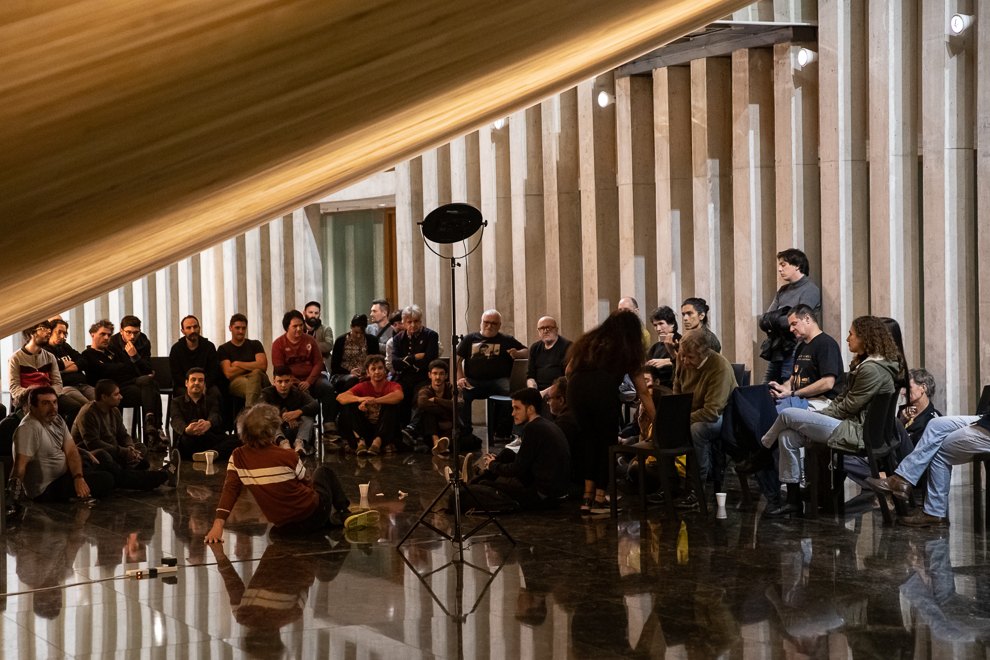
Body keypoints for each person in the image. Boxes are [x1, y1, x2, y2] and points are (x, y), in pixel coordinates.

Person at [760, 316, 905, 518]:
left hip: (854, 430)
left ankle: (762, 450)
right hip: (846, 423)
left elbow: (848, 406)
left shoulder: (872, 370)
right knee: (786, 436)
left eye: (851, 334)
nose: (847, 339)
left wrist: (819, 416)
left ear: (865, 338)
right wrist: (818, 417)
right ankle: (793, 500)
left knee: (786, 414)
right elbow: (842, 400)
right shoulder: (867, 365)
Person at [204, 403, 374, 543]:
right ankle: (344, 512)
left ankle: (330, 517)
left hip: (283, 525)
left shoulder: (237, 456)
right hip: (313, 513)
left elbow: (230, 491)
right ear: (272, 431)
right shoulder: (287, 455)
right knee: (323, 472)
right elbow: (308, 484)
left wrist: (218, 524)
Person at [6, 388, 175, 504]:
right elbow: (19, 468)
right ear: (32, 407)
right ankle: (162, 477)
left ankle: (136, 475)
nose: (53, 407)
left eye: (55, 402)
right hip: (48, 489)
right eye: (45, 403)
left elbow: (71, 450)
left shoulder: (55, 419)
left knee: (103, 460)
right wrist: (11, 500)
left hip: (68, 473)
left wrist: (78, 476)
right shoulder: (28, 429)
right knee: (107, 479)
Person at [566, 310, 655, 514]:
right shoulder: (626, 349)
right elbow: (643, 391)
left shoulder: (589, 341)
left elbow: (568, 371)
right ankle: (599, 499)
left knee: (589, 441)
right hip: (602, 391)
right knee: (607, 444)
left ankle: (586, 499)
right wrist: (656, 420)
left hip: (576, 389)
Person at [868, 410, 990, 528]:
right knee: (935, 424)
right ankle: (902, 479)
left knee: (938, 449)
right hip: (986, 418)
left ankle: (934, 512)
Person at [458, 388, 571, 512]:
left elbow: (517, 468)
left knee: (485, 484)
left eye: (517, 408)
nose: (512, 413)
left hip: (545, 497)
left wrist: (493, 466)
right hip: (554, 491)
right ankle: (469, 484)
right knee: (507, 454)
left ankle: (468, 486)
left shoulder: (533, 429)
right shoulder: (544, 424)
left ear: (530, 409)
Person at [672, 329, 737, 508]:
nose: (684, 360)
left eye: (690, 357)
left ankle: (695, 489)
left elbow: (711, 411)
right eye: (682, 355)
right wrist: (676, 414)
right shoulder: (682, 357)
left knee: (697, 430)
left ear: (704, 354)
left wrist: (682, 421)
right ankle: (670, 484)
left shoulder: (719, 367)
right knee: (663, 425)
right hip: (691, 414)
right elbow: (677, 385)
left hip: (723, 417)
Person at [82, 319, 166, 445]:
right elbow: (103, 371)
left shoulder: (112, 352)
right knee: (152, 391)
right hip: (110, 391)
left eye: (109, 335)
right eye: (103, 334)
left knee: (149, 382)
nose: (106, 338)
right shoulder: (88, 354)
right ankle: (154, 431)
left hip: (125, 384)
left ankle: (150, 420)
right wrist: (119, 367)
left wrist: (117, 367)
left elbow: (129, 367)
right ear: (92, 334)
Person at [456, 309, 529, 437]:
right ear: (481, 323)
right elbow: (456, 360)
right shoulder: (470, 339)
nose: (489, 326)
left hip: (499, 380)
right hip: (473, 381)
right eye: (486, 322)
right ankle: (465, 431)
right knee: (461, 393)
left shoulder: (506, 340)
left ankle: (503, 431)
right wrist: (460, 378)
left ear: (499, 325)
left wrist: (517, 353)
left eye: (493, 323)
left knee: (510, 392)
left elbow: (527, 351)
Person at [761, 248, 822, 384]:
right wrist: (781, 318)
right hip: (777, 347)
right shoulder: (783, 290)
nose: (779, 269)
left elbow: (798, 322)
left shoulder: (810, 290)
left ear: (797, 266)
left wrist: (777, 319)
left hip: (796, 347)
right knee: (767, 388)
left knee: (787, 390)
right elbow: (764, 319)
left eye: (783, 265)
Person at [769, 304, 845, 412]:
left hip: (823, 402)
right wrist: (783, 389)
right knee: (767, 406)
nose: (791, 329)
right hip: (802, 400)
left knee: (779, 412)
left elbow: (828, 382)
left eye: (794, 324)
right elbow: (794, 377)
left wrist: (793, 394)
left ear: (807, 319)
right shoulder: (801, 347)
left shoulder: (826, 344)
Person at [71, 379, 151, 470]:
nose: (121, 397)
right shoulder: (88, 414)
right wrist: (124, 452)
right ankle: (126, 469)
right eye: (116, 394)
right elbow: (93, 444)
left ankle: (124, 468)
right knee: (102, 455)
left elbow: (123, 434)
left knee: (141, 447)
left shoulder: (115, 410)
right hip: (93, 454)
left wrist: (129, 448)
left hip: (113, 450)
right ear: (104, 397)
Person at [336, 354, 404, 455]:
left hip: (385, 431)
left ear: (385, 370)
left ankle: (377, 443)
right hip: (365, 430)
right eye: (373, 369)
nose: (377, 372)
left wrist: (374, 401)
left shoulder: (393, 385)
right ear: (368, 373)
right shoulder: (363, 386)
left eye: (380, 368)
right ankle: (361, 443)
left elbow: (399, 396)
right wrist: (361, 399)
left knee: (390, 404)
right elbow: (340, 397)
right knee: (349, 404)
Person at [170, 368, 242, 462]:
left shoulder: (212, 400)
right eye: (193, 380)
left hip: (209, 438)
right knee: (191, 426)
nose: (196, 383)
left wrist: (208, 423)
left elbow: (216, 416)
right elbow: (176, 419)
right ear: (186, 383)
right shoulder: (176, 402)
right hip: (188, 440)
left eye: (200, 380)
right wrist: (187, 429)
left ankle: (213, 453)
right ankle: (214, 453)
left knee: (240, 437)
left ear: (204, 384)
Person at [273, 309, 336, 417]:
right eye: (295, 326)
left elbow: (318, 362)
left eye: (301, 325)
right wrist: (296, 382)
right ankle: (302, 426)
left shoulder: (310, 340)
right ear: (287, 327)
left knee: (328, 388)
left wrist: (308, 382)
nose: (299, 329)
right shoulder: (278, 344)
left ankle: (329, 425)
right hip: (290, 381)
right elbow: (280, 369)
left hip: (313, 379)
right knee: (297, 393)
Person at [392, 304, 440, 433]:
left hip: (423, 376)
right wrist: (416, 357)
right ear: (403, 323)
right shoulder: (397, 339)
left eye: (416, 321)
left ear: (421, 321)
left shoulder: (431, 336)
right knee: (396, 395)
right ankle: (396, 430)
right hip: (404, 376)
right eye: (409, 322)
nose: (413, 325)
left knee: (420, 397)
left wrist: (406, 360)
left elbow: (429, 361)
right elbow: (395, 364)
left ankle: (412, 429)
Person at [260, 365, 320, 455]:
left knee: (308, 416)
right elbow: (260, 409)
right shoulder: (266, 393)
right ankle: (282, 442)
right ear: (274, 382)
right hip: (276, 432)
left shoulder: (298, 392)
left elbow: (315, 405)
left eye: (286, 381)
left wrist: (298, 412)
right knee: (268, 418)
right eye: (280, 382)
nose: (283, 385)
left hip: (297, 431)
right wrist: (283, 416)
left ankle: (299, 443)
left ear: (291, 381)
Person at [8, 320, 62, 411]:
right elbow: (14, 388)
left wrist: (51, 396)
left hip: (50, 396)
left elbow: (58, 383)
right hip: (28, 399)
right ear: (32, 333)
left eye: (49, 328)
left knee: (74, 406)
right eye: (44, 328)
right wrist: (35, 396)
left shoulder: (50, 357)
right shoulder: (15, 358)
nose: (49, 331)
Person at [218, 313, 270, 406]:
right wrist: (253, 365)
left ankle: (248, 412)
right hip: (238, 381)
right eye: (237, 328)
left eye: (243, 328)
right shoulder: (224, 348)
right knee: (256, 385)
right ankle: (252, 411)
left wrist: (238, 363)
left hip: (261, 379)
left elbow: (263, 366)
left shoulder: (255, 344)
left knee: (257, 373)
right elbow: (229, 373)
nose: (241, 331)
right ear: (230, 328)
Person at [48, 319, 94, 423]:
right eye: (59, 332)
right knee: (88, 406)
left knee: (104, 402)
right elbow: (54, 367)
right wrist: (72, 363)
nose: (63, 336)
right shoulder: (46, 351)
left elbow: (83, 361)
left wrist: (63, 369)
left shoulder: (65, 346)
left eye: (64, 333)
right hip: (66, 386)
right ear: (50, 331)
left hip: (83, 384)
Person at [169, 315, 223, 400]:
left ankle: (214, 414)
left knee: (216, 394)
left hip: (206, 385)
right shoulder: (176, 349)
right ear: (183, 331)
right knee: (184, 396)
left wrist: (203, 386)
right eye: (188, 328)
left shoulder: (209, 347)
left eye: (195, 327)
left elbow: (213, 371)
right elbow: (176, 375)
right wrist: (192, 387)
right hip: (184, 386)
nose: (193, 330)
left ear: (199, 328)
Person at [330, 314, 379, 392]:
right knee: (353, 380)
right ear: (351, 327)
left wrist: (368, 374)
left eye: (361, 333)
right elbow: (334, 366)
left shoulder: (372, 341)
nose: (359, 336)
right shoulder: (341, 341)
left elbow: (376, 362)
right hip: (343, 374)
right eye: (356, 332)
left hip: (366, 374)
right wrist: (349, 372)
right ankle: (345, 400)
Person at [525, 316, 571, 399]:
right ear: (538, 331)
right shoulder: (534, 348)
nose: (545, 331)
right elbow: (530, 376)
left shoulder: (567, 346)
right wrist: (533, 392)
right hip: (538, 390)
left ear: (556, 330)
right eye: (542, 328)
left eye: (549, 327)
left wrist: (544, 393)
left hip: (558, 391)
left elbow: (566, 378)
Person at [417, 359, 456, 455]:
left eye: (441, 374)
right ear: (429, 375)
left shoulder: (452, 389)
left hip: (449, 430)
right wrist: (445, 411)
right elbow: (421, 402)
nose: (438, 377)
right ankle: (436, 442)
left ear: (446, 376)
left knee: (473, 441)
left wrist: (436, 400)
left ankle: (443, 446)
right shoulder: (425, 390)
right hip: (432, 431)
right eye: (435, 373)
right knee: (427, 412)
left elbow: (458, 405)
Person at [665, 298, 721, 362]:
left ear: (702, 315)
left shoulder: (706, 338)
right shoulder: (688, 337)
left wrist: (672, 352)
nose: (685, 318)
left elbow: (691, 368)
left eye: (689, 314)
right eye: (683, 314)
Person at [646, 306, 680, 390]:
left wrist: (667, 362)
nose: (658, 329)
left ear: (672, 323)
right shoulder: (656, 346)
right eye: (655, 325)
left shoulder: (682, 342)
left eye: (661, 323)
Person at [302, 300, 334, 370]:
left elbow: (328, 346)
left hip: (322, 366)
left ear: (319, 314)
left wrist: (307, 346)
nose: (313, 315)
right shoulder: (299, 329)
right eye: (310, 312)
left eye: (316, 313)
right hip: (303, 366)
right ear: (304, 313)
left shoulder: (326, 329)